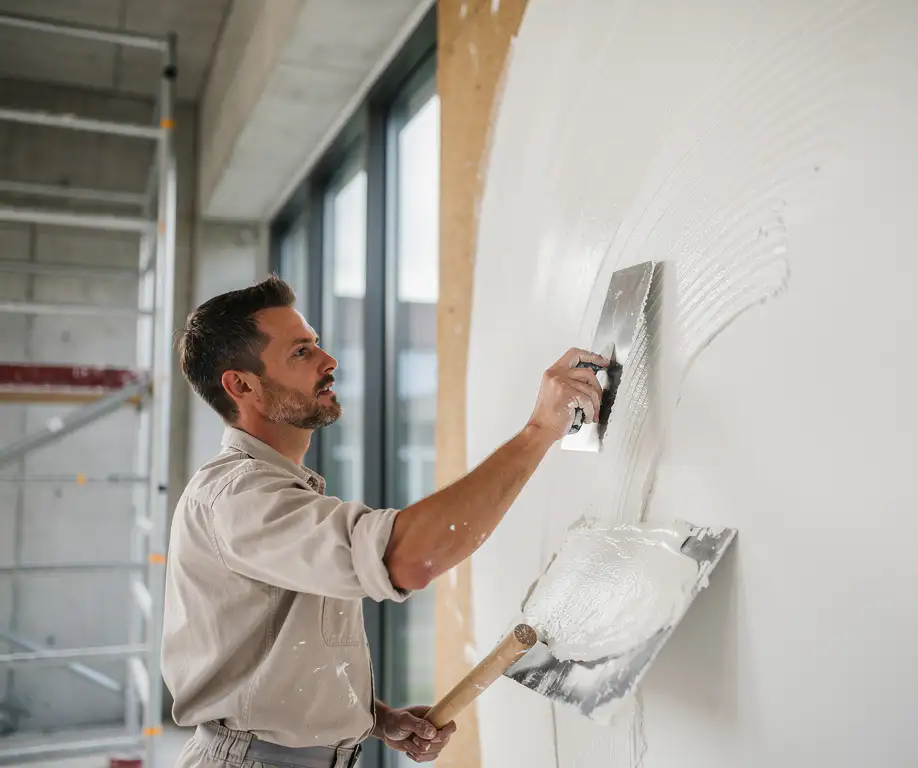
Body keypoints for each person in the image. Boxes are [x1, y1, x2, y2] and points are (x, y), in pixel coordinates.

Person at [162, 275, 606, 767]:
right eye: (302, 353)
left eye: (317, 345)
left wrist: (371, 718)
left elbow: (270, 653)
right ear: (241, 385)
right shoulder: (238, 497)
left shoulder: (278, 492)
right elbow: (406, 559)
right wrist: (541, 429)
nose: (329, 361)